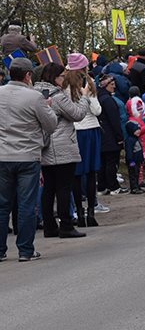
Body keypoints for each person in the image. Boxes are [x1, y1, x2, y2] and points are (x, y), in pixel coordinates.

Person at [0, 58, 58, 262]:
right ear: (27, 76)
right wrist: (48, 106)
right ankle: (25, 250)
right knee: (26, 203)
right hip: (27, 155)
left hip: (2, 155)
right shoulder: (34, 97)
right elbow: (51, 125)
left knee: (2, 204)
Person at [34, 63, 91, 239]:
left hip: (44, 147)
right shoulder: (57, 96)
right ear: (54, 77)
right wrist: (84, 96)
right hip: (62, 146)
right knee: (64, 188)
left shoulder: (36, 94)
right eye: (62, 76)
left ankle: (50, 226)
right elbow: (78, 114)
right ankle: (66, 225)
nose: (64, 79)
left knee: (49, 188)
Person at [64, 54, 105, 227]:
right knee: (90, 173)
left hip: (73, 131)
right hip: (90, 130)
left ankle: (79, 214)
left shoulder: (64, 85)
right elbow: (97, 110)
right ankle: (90, 214)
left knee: (75, 174)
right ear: (84, 67)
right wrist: (87, 96)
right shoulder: (88, 83)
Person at [96, 74, 127, 195]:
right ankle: (113, 186)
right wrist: (119, 137)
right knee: (111, 162)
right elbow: (114, 120)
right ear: (105, 85)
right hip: (110, 136)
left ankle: (102, 186)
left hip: (101, 135)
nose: (114, 87)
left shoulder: (98, 98)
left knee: (103, 162)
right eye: (112, 84)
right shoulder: (108, 100)